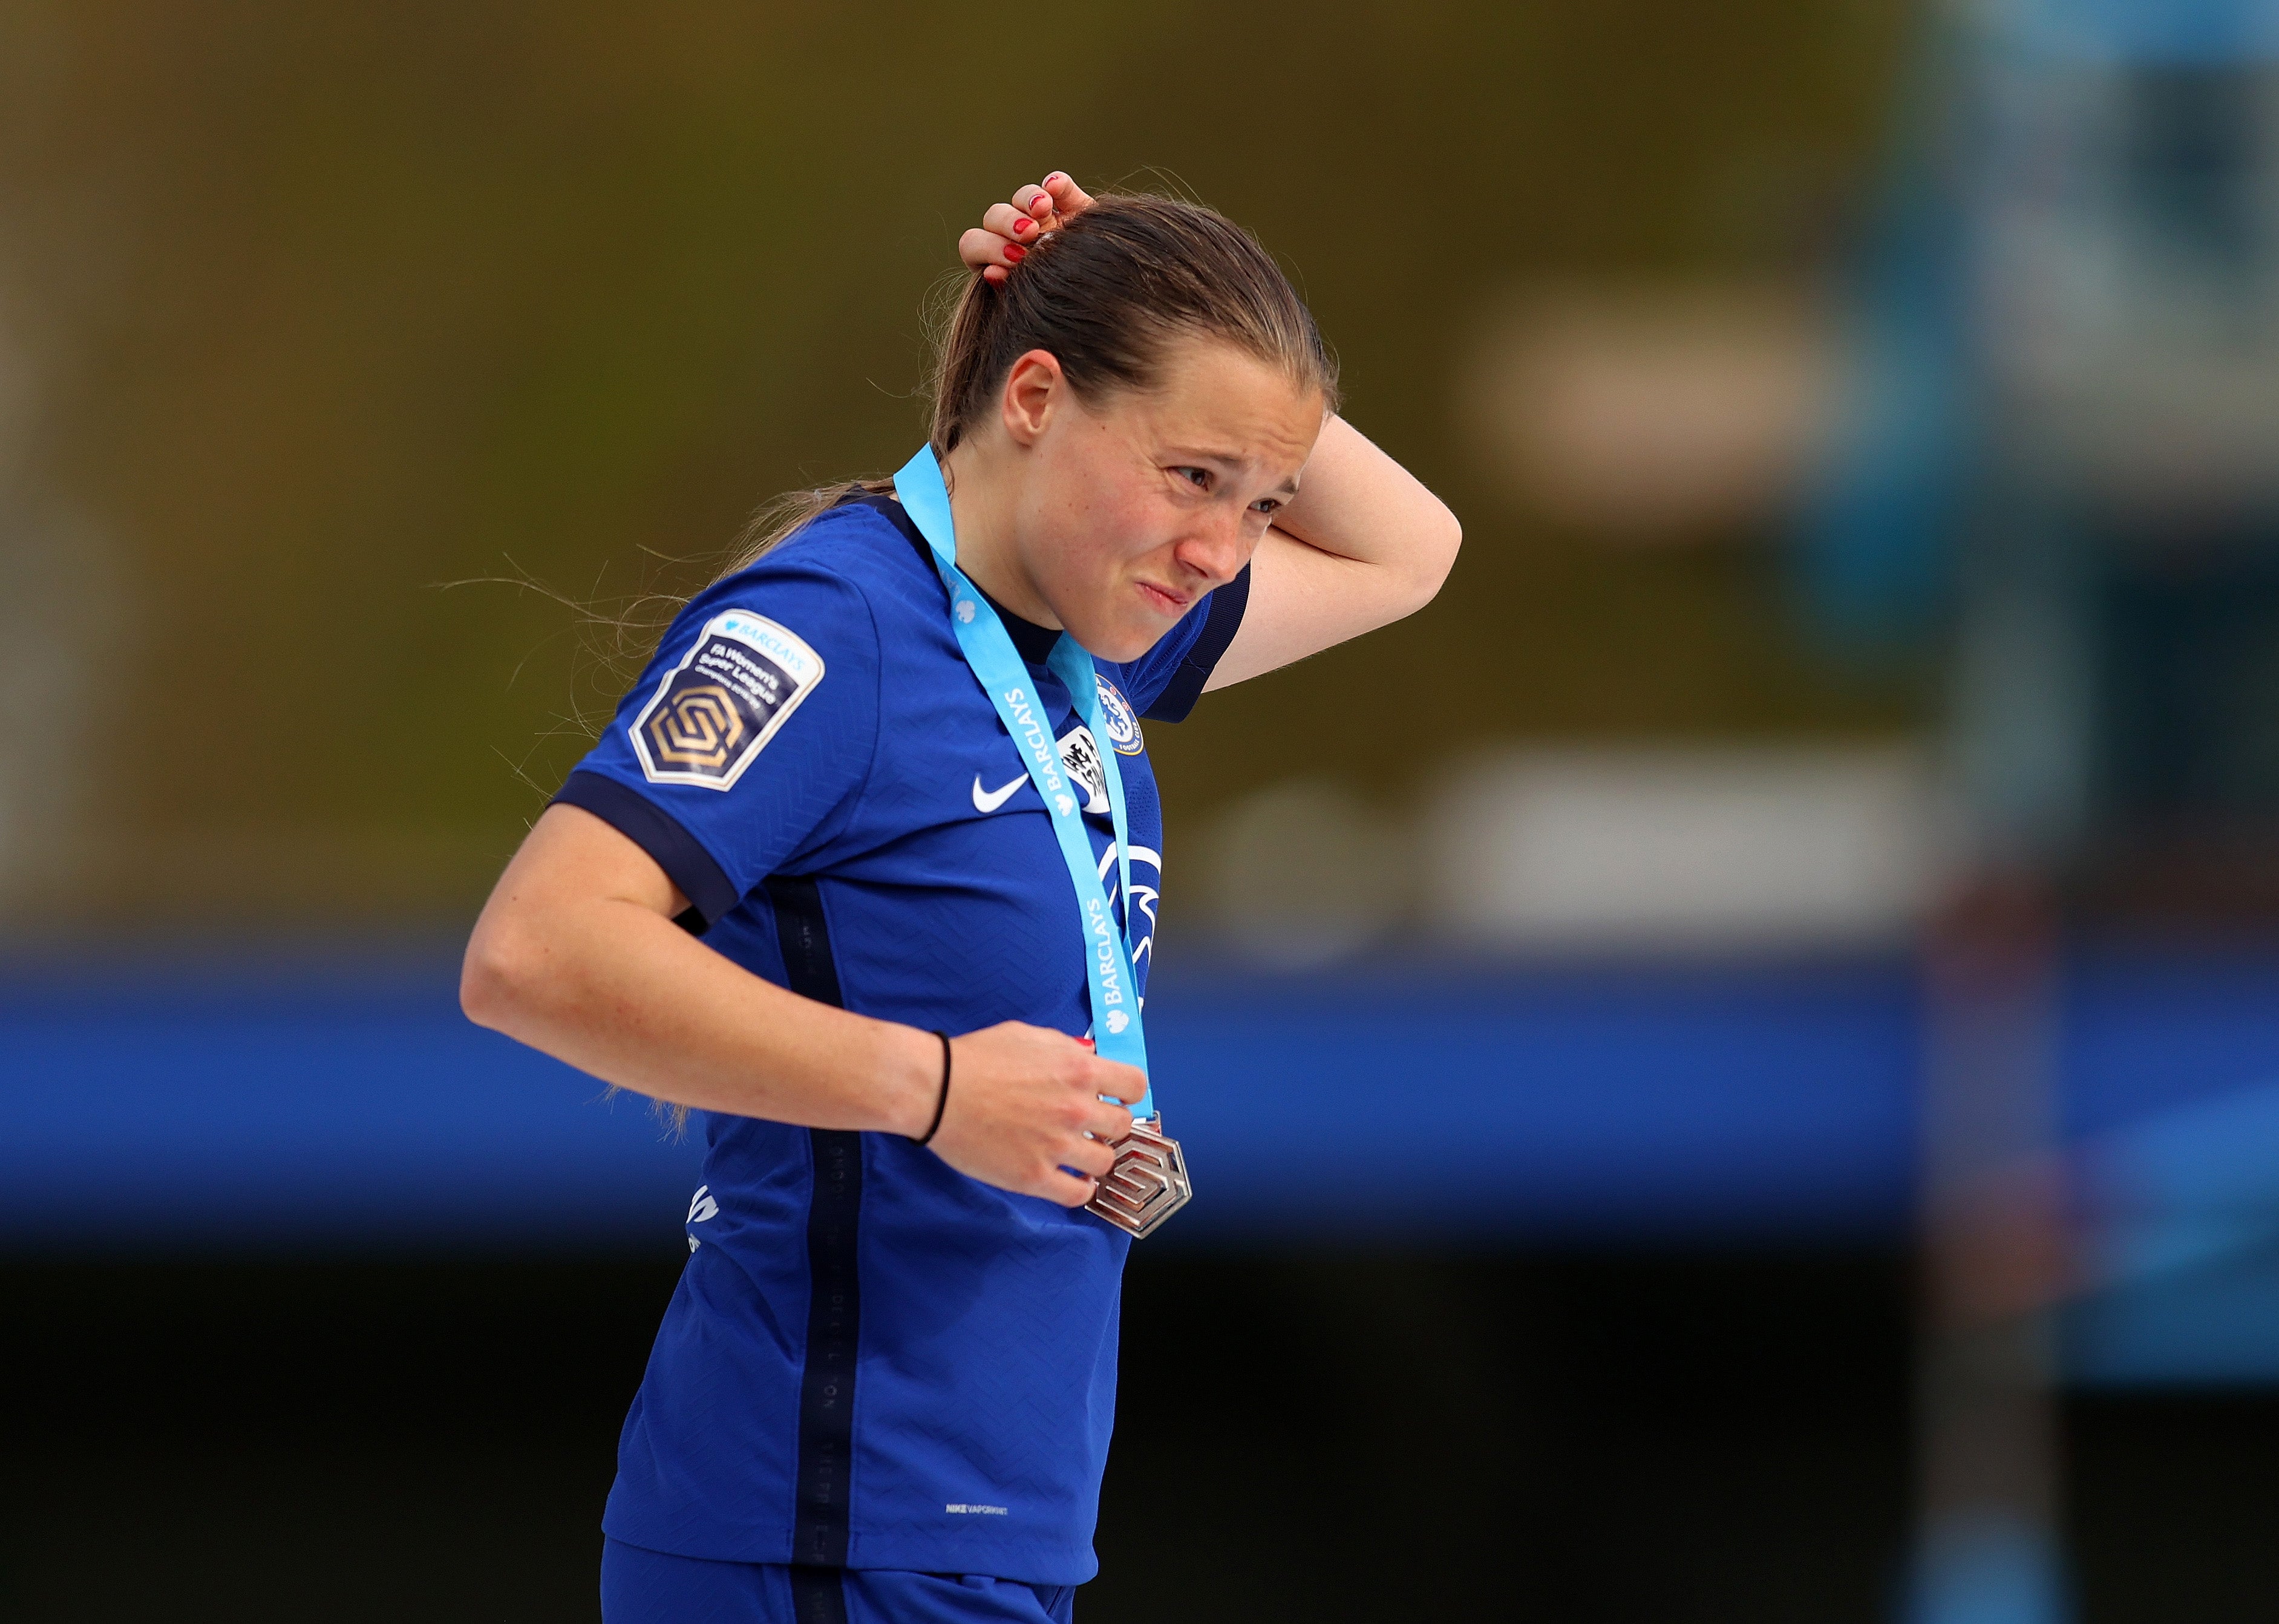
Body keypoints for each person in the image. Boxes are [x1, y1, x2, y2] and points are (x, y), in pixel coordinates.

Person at [461, 172, 1460, 1624]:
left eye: (1263, 504)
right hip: (818, 1530)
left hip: (983, 1533)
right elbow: (535, 951)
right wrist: (931, 1087)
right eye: (1191, 478)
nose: (1223, 552)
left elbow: (1409, 550)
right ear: (1037, 399)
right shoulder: (837, 627)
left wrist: (1105, 259)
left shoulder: (1094, 637)